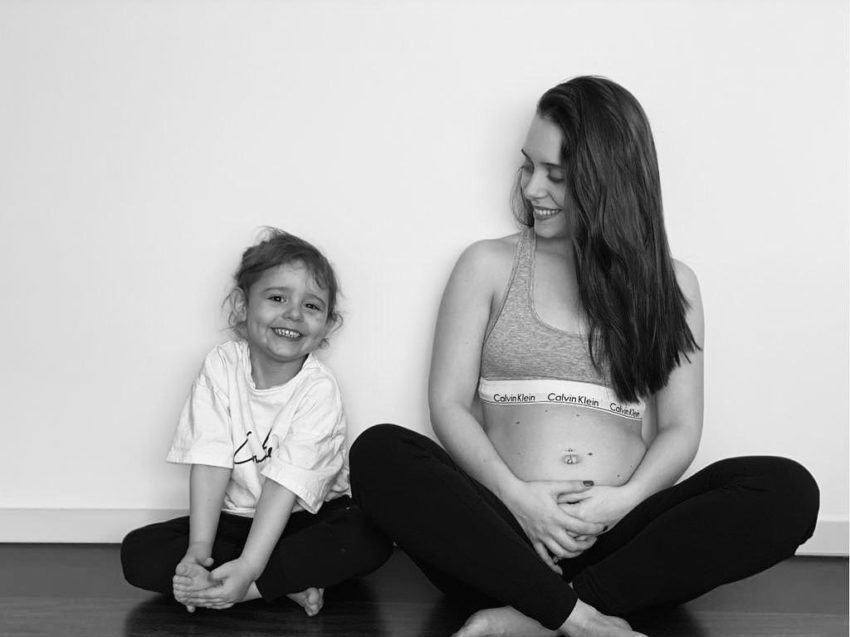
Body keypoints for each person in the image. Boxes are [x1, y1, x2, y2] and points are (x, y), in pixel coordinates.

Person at [349, 76, 819, 637]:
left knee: (787, 490)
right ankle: (573, 615)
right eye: (528, 166)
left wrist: (622, 504)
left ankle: (535, 617)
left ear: (608, 181)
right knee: (379, 451)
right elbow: (448, 405)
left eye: (556, 175)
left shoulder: (672, 286)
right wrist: (520, 501)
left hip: (619, 542)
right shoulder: (488, 265)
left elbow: (680, 428)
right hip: (505, 538)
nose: (532, 188)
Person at [121, 228, 392, 616]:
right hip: (237, 522)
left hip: (304, 518)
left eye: (311, 306)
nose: (294, 314)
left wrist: (250, 568)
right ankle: (281, 581)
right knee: (138, 552)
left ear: (327, 325)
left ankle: (248, 586)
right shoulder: (221, 366)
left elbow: (284, 486)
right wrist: (198, 551)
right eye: (277, 298)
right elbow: (210, 461)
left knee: (368, 537)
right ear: (242, 305)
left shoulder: (318, 388)